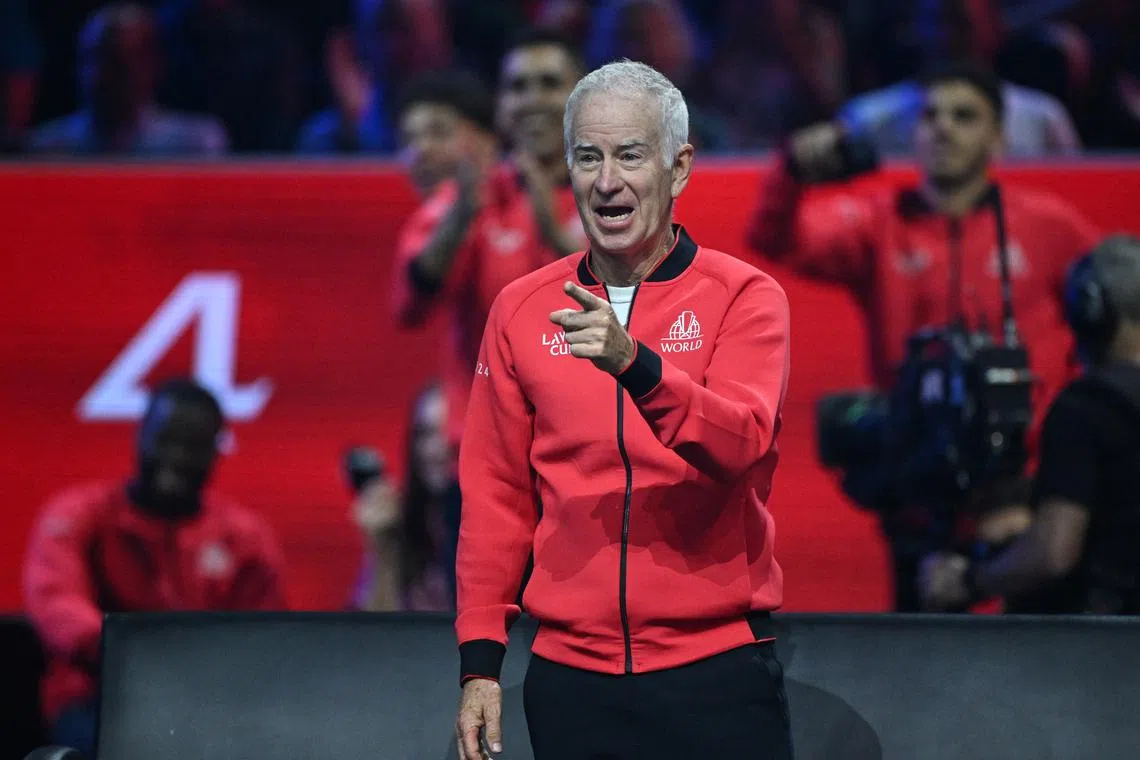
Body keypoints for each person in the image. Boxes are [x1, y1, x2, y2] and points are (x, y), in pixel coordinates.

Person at [453, 61, 793, 760]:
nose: (607, 181)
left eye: (630, 156)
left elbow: (740, 442)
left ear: (680, 168)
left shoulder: (745, 297)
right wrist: (481, 664)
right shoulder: (519, 308)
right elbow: (495, 497)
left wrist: (633, 363)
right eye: (588, 157)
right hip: (572, 681)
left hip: (717, 674)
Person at [749, 61, 1099, 611]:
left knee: (1034, 673)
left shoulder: (1048, 224)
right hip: (921, 495)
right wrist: (791, 173)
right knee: (924, 675)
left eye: (964, 116)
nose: (943, 128)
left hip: (1026, 495)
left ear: (998, 138)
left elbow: (1116, 305)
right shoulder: (879, 223)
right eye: (931, 115)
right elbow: (775, 239)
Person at [391, 29, 586, 603]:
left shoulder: (617, 194)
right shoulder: (471, 200)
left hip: (590, 466)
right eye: (516, 87)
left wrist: (552, 223)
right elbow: (411, 300)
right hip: (484, 469)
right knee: (484, 658)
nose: (532, 100)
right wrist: (464, 216)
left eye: (550, 84)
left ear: (585, 95)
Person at [22, 379, 286, 757]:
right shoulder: (78, 514)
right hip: (99, 698)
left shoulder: (246, 537)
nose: (177, 458)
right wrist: (145, 660)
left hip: (213, 705)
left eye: (194, 446)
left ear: (216, 453)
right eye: (166, 439)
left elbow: (266, 638)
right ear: (139, 435)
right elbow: (58, 606)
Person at [920, 234, 1140, 615]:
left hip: (1108, 651)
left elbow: (1054, 553)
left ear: (1091, 311)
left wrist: (969, 580)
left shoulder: (1086, 407)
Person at [26, 3, 227, 156]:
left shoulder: (195, 144)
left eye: (117, 63)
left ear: (151, 65)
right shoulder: (47, 147)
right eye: (92, 59)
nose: (99, 76)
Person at [349, 382, 454, 611]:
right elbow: (369, 629)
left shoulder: (500, 527)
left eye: (447, 433)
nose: (436, 449)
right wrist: (382, 548)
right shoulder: (397, 522)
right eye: (425, 434)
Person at [394, 70, 499, 199]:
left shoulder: (525, 211)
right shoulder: (418, 218)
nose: (419, 150)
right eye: (407, 139)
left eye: (440, 133)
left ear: (488, 142)